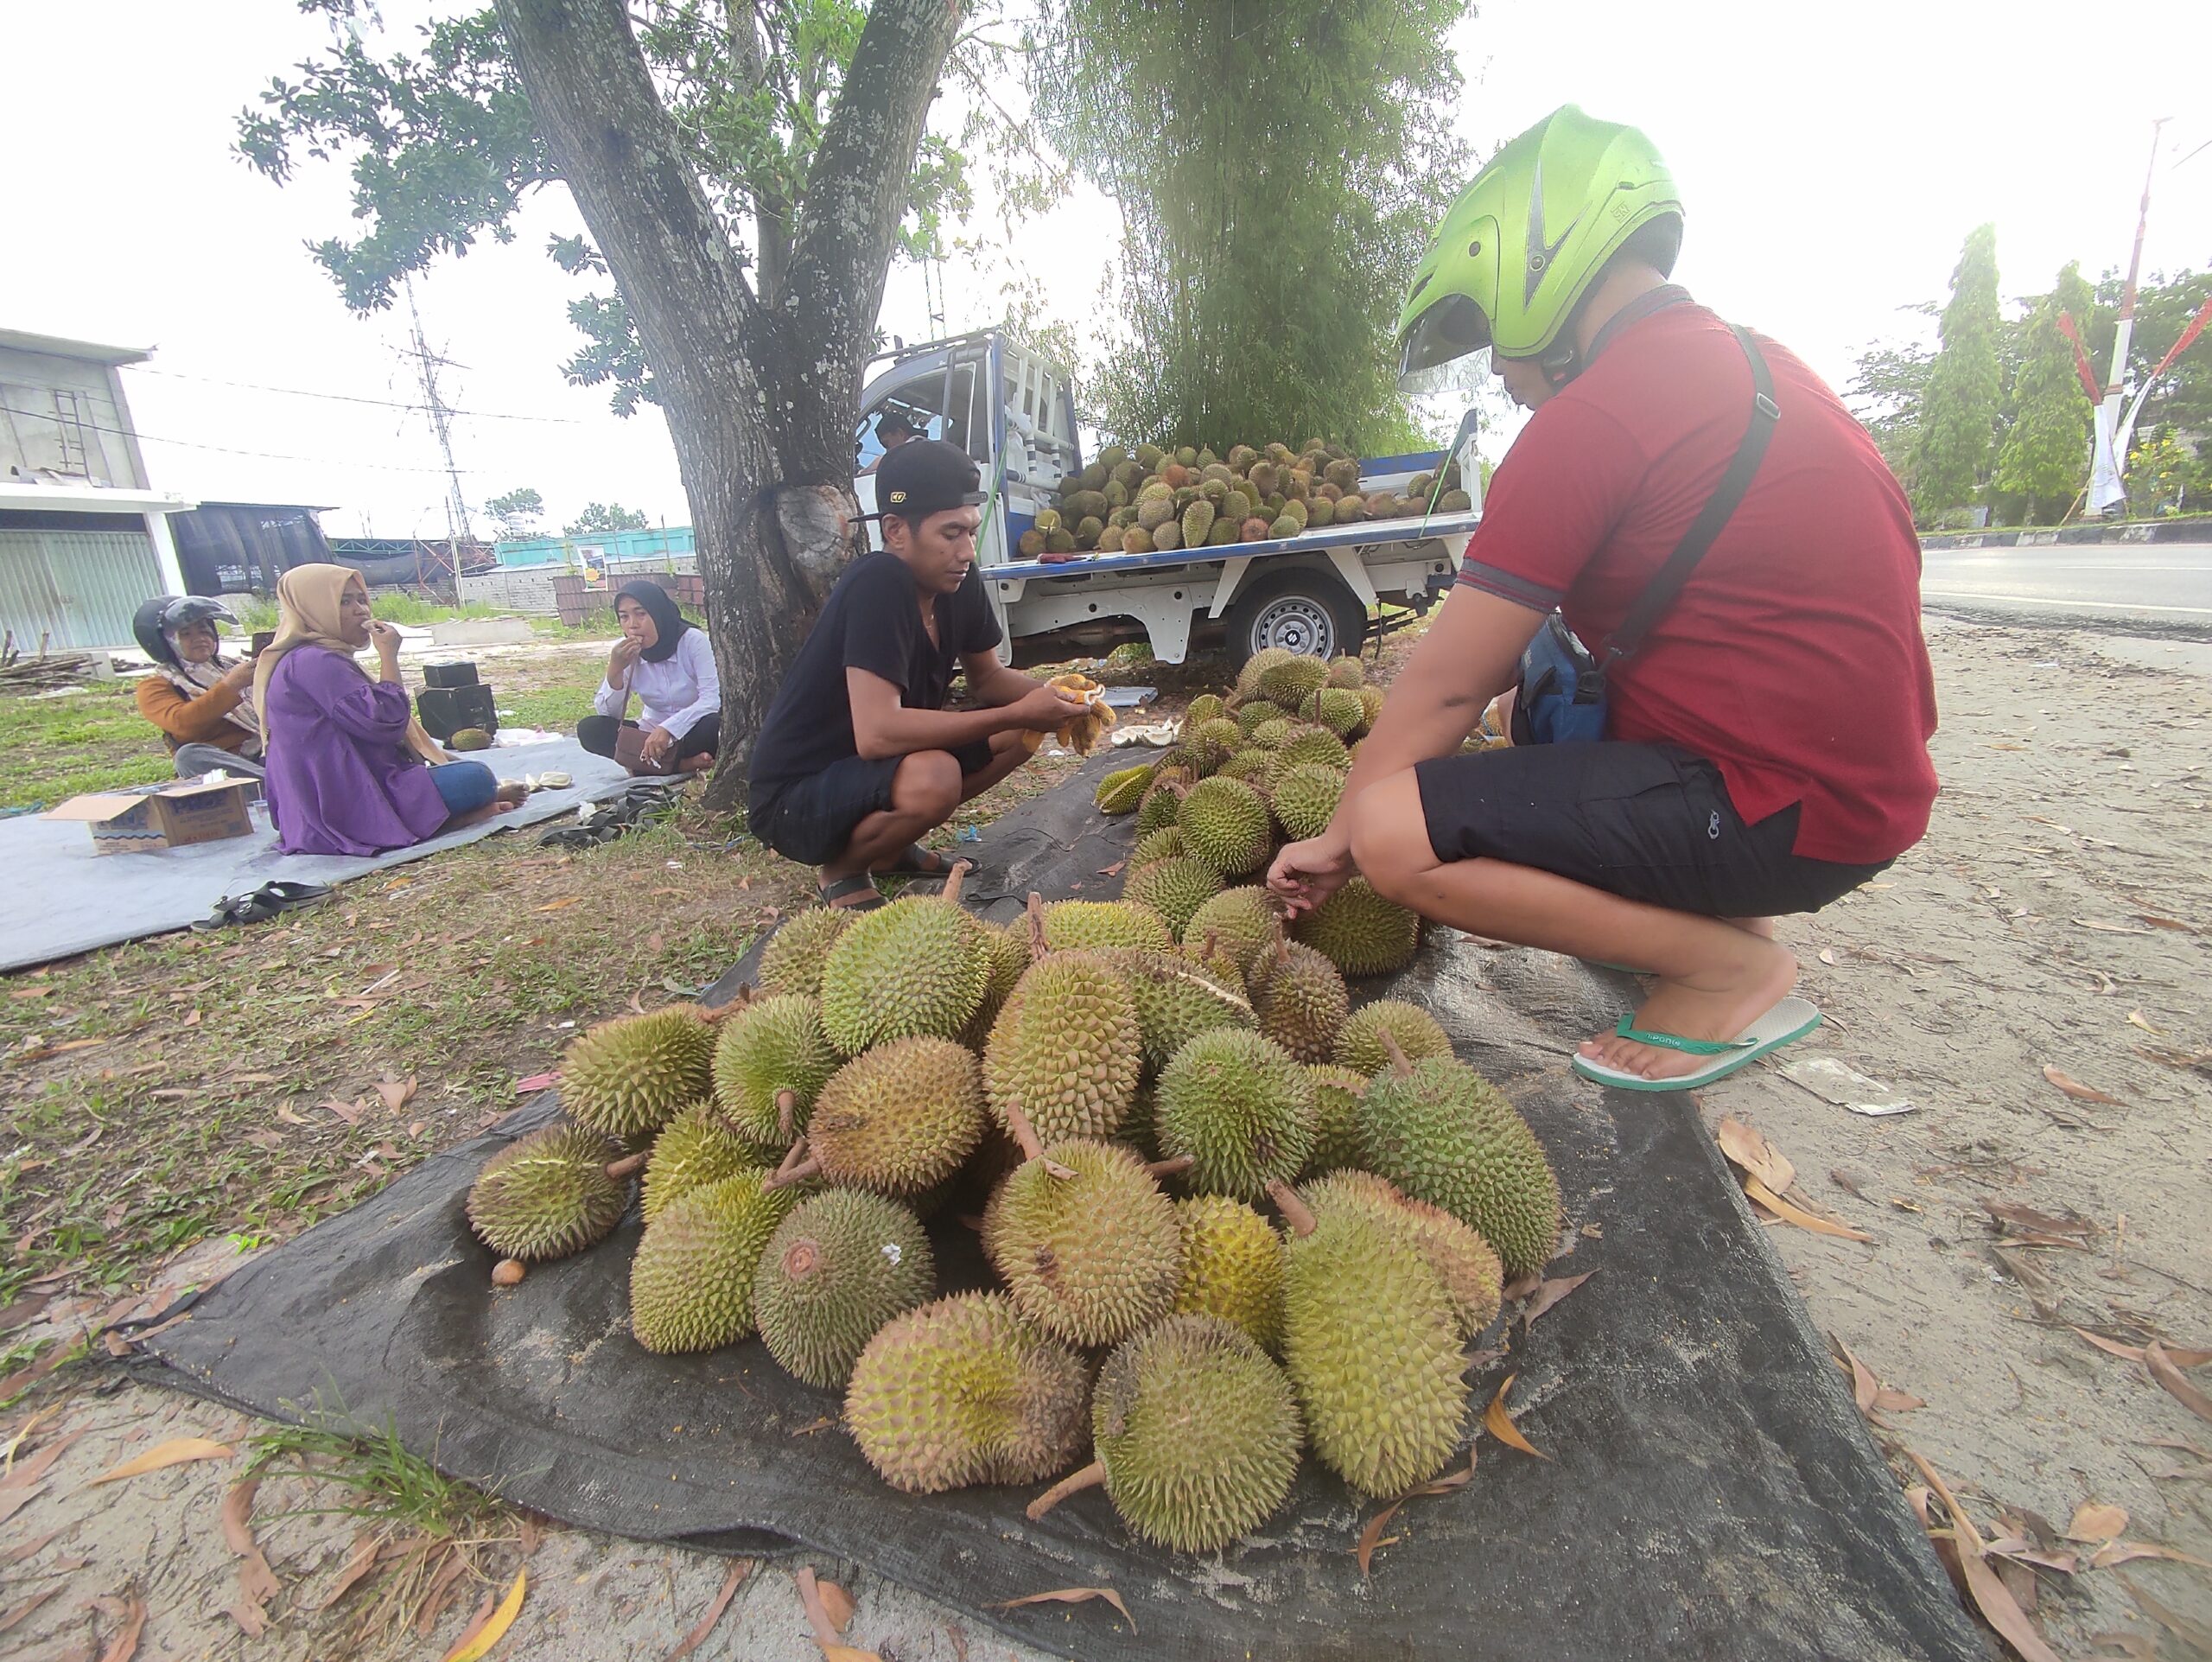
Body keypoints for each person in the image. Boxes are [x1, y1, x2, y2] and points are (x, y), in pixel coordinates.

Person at [1268, 105, 1938, 1093]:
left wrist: (1338, 837)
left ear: (1537, 276)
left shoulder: (1597, 418)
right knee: (1526, 710)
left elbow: (1445, 689)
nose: (1498, 368)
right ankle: (1712, 926)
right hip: (1857, 788)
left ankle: (1728, 968)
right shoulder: (1763, 364)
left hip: (1783, 808)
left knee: (1393, 833)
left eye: (1493, 332)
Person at [747, 438, 1090, 910]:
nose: (967, 550)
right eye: (950, 534)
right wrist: (1016, 709)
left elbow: (988, 679)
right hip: (797, 797)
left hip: (873, 775)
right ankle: (843, 869)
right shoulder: (878, 583)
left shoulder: (959, 580)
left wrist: (1057, 699)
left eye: (971, 532)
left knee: (1020, 731)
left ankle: (888, 849)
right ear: (896, 530)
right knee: (937, 775)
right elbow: (878, 734)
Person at [255, 564, 526, 856]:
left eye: (361, 599)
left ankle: (448, 812)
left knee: (460, 770)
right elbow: (384, 723)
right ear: (312, 608)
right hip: (347, 804)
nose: (360, 610)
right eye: (344, 602)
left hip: (329, 798)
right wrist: (388, 656)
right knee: (475, 778)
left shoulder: (312, 657)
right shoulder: (315, 662)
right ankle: (448, 817)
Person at [578, 582, 720, 774]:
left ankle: (643, 764)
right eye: (624, 617)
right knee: (590, 729)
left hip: (691, 727)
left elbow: (712, 699)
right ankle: (682, 765)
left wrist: (669, 729)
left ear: (658, 612)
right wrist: (615, 670)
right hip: (649, 732)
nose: (633, 625)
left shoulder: (692, 641)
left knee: (711, 725)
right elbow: (608, 714)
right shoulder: (626, 650)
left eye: (641, 614)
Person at [130, 595, 267, 780]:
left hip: (267, 751)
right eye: (186, 634)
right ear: (163, 642)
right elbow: (182, 723)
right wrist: (232, 685)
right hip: (229, 766)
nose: (199, 639)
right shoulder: (156, 686)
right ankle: (274, 786)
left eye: (204, 630)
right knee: (189, 756)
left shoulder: (230, 667)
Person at [859, 410, 917, 474]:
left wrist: (862, 472)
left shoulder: (917, 452)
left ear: (900, 433)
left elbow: (890, 458)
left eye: (886, 444)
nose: (887, 451)